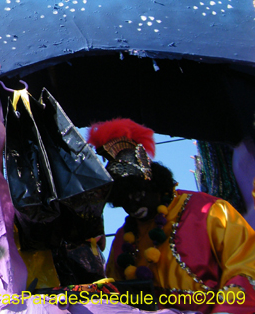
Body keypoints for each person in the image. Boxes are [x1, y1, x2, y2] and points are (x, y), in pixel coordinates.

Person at [88, 118, 255, 312]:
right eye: (124, 201)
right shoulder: (122, 240)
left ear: (155, 185)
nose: (133, 205)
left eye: (138, 195)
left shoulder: (209, 210)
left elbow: (247, 265)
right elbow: (115, 300)